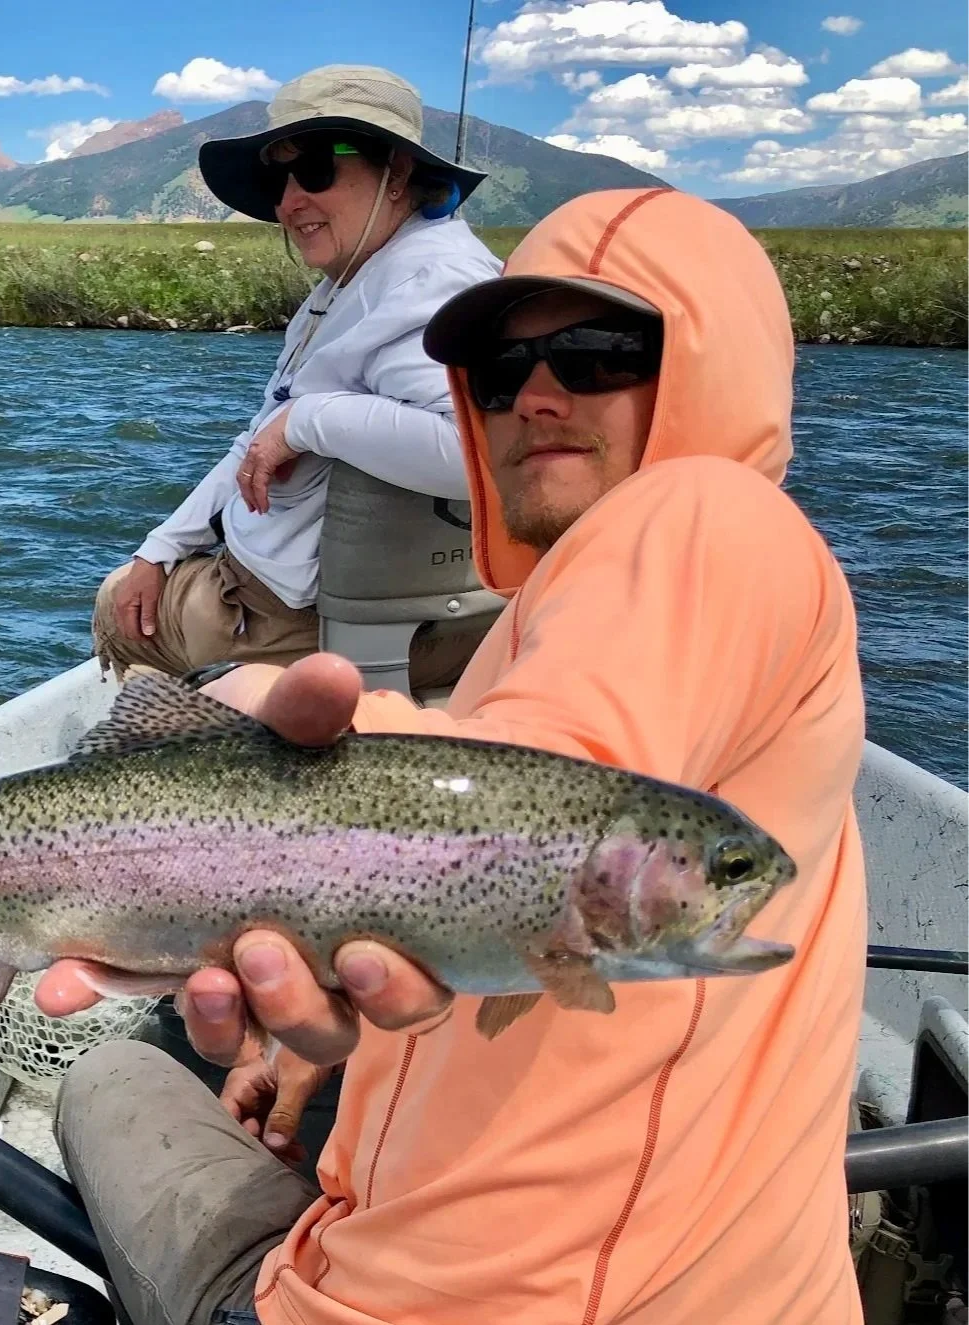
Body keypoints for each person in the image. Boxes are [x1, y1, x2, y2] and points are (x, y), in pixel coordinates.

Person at [43, 186, 867, 1325]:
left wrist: (258, 739)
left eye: (598, 352)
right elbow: (540, 907)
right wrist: (329, 1047)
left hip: (398, 1301)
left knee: (110, 1072)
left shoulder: (712, 512)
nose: (535, 394)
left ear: (707, 371)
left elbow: (565, 782)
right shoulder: (600, 625)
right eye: (495, 366)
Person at [92, 64, 500, 690]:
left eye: (316, 169)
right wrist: (162, 547)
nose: (287, 202)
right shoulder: (356, 284)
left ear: (397, 175)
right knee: (145, 572)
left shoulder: (431, 284)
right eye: (279, 179)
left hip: (301, 620)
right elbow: (261, 435)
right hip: (330, 606)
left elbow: (470, 451)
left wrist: (308, 421)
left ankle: (174, 761)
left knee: (119, 606)